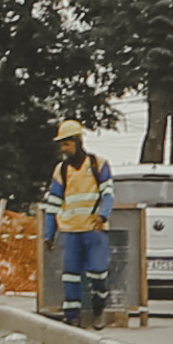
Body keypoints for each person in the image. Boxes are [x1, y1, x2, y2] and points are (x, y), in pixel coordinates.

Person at [45, 131, 113, 326]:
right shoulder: (61, 170)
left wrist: (103, 215)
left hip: (94, 228)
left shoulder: (98, 164)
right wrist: (49, 234)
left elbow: (108, 193)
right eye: (62, 145)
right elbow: (53, 204)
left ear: (77, 141)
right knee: (70, 274)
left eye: (66, 144)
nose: (63, 149)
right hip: (70, 230)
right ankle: (72, 316)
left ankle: (99, 304)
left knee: (98, 271)